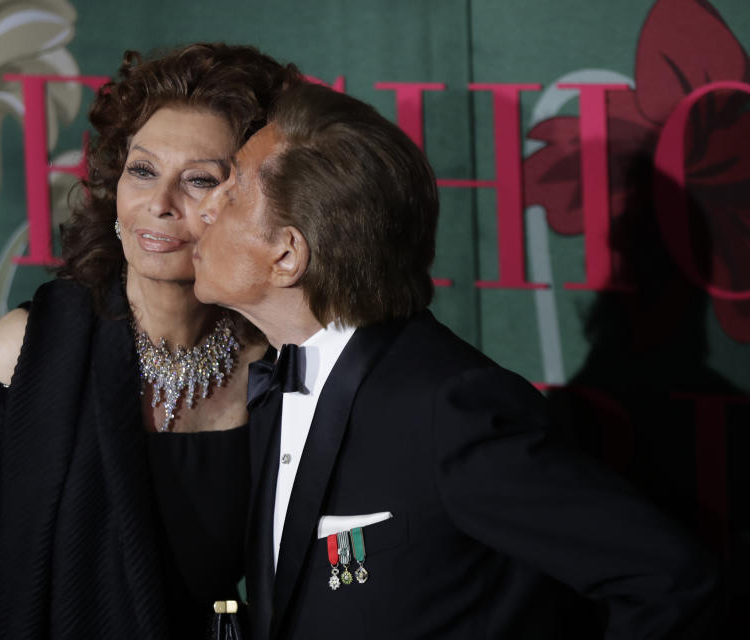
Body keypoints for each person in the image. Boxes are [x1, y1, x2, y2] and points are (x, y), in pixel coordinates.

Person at [191, 83, 721, 639]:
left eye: (230, 192)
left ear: (287, 255)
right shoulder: (277, 384)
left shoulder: (453, 410)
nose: (204, 207)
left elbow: (669, 580)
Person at [0, 43, 301, 639]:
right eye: (142, 170)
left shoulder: (279, 365)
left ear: (251, 205)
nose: (158, 205)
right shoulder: (23, 350)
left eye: (199, 181)